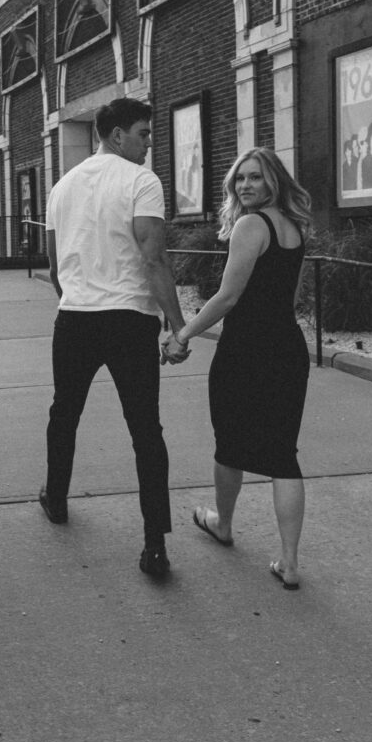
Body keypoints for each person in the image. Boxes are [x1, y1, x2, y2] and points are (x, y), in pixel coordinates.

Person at [40, 97, 190, 577]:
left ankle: (56, 498)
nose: (148, 144)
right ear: (117, 135)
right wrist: (178, 326)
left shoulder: (61, 187)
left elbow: (54, 267)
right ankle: (154, 546)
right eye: (143, 134)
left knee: (65, 412)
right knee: (146, 430)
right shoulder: (141, 182)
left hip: (75, 319)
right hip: (129, 319)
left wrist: (79, 298)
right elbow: (154, 258)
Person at [172, 147, 312, 590]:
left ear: (274, 181)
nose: (246, 185)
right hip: (287, 349)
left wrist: (183, 334)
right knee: (283, 454)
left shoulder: (251, 225)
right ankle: (289, 562)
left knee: (229, 442)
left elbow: (227, 297)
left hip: (245, 350)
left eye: (255, 177)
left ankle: (224, 524)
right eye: (240, 178)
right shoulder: (294, 228)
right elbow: (292, 299)